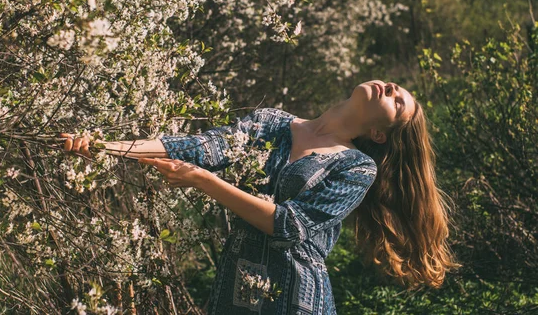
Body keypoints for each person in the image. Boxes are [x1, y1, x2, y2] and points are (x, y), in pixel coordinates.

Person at [61, 80, 458, 314]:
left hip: (296, 297)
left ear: (380, 134)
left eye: (397, 100)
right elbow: (202, 147)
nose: (390, 88)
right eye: (393, 87)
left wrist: (203, 181)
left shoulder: (356, 168)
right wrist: (105, 147)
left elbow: (288, 225)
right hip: (236, 281)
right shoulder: (271, 123)